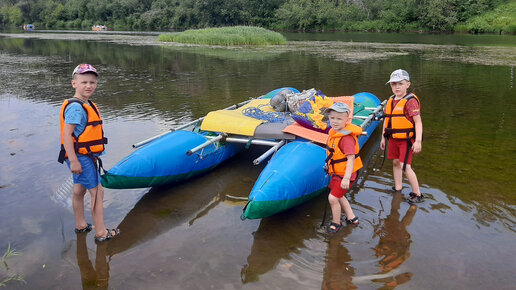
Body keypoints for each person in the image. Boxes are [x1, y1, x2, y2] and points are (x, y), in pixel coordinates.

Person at [58, 64, 119, 242]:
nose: (88, 86)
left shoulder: (86, 104)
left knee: (79, 190)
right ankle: (101, 233)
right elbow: (66, 134)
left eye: (92, 82)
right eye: (84, 82)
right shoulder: (77, 107)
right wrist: (75, 161)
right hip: (81, 158)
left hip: (81, 156)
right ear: (74, 83)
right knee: (97, 192)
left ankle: (81, 225)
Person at [380, 69, 424, 203]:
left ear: (407, 85)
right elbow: (387, 120)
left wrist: (418, 141)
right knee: (395, 162)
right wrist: (383, 138)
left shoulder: (410, 101)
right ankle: (398, 187)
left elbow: (418, 122)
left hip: (406, 140)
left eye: (400, 83)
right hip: (393, 138)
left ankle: (417, 194)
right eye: (393, 84)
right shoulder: (391, 100)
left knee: (405, 166)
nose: (397, 87)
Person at [325, 102, 362, 234]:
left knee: (333, 198)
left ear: (347, 120)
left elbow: (351, 159)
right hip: (337, 172)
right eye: (332, 118)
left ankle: (336, 223)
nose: (335, 121)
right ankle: (352, 218)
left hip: (346, 175)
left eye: (339, 119)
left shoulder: (346, 138)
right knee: (339, 196)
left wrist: (346, 178)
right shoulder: (334, 133)